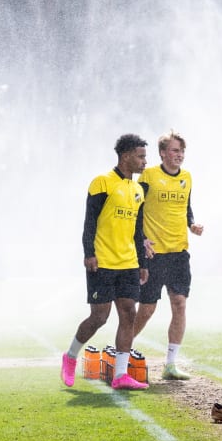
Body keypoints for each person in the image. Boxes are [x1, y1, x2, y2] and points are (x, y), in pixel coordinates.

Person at [61, 134, 150, 390]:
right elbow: (89, 221)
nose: (145, 161)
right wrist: (89, 253)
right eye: (140, 156)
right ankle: (70, 357)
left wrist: (142, 263)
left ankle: (121, 375)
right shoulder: (102, 182)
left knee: (128, 313)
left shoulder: (138, 190)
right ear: (125, 156)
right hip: (102, 261)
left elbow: (137, 229)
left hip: (129, 263)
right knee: (99, 317)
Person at [133, 130, 204, 380]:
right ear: (163, 153)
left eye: (182, 151)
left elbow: (187, 208)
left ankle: (170, 364)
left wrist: (192, 224)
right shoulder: (149, 175)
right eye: (175, 150)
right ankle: (122, 350)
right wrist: (140, 239)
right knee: (147, 309)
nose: (179, 155)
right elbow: (135, 209)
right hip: (154, 255)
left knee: (180, 304)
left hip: (179, 253)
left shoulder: (187, 177)